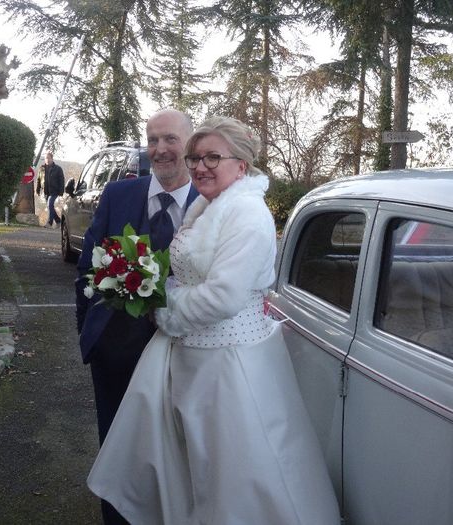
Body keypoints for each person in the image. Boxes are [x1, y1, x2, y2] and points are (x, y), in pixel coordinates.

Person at [87, 116, 341, 524]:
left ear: (241, 165)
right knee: (196, 468)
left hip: (230, 365)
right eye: (195, 158)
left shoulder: (247, 214)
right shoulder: (210, 207)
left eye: (212, 158)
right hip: (194, 359)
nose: (201, 166)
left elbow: (224, 295)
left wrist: (163, 308)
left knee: (232, 473)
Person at [75, 109, 199, 525]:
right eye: (152, 140)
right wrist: (89, 335)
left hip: (187, 355)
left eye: (170, 139)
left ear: (190, 144)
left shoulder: (212, 202)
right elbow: (87, 270)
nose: (159, 149)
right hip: (116, 354)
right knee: (117, 450)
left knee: (179, 451)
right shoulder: (118, 195)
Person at [36, 151, 65, 226]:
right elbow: (39, 180)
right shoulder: (42, 168)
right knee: (50, 207)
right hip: (46, 192)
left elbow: (61, 181)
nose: (47, 160)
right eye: (46, 158)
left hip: (54, 191)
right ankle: (58, 221)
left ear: (52, 159)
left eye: (49, 158)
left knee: (50, 205)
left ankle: (50, 223)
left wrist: (61, 192)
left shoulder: (58, 169)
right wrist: (37, 190)